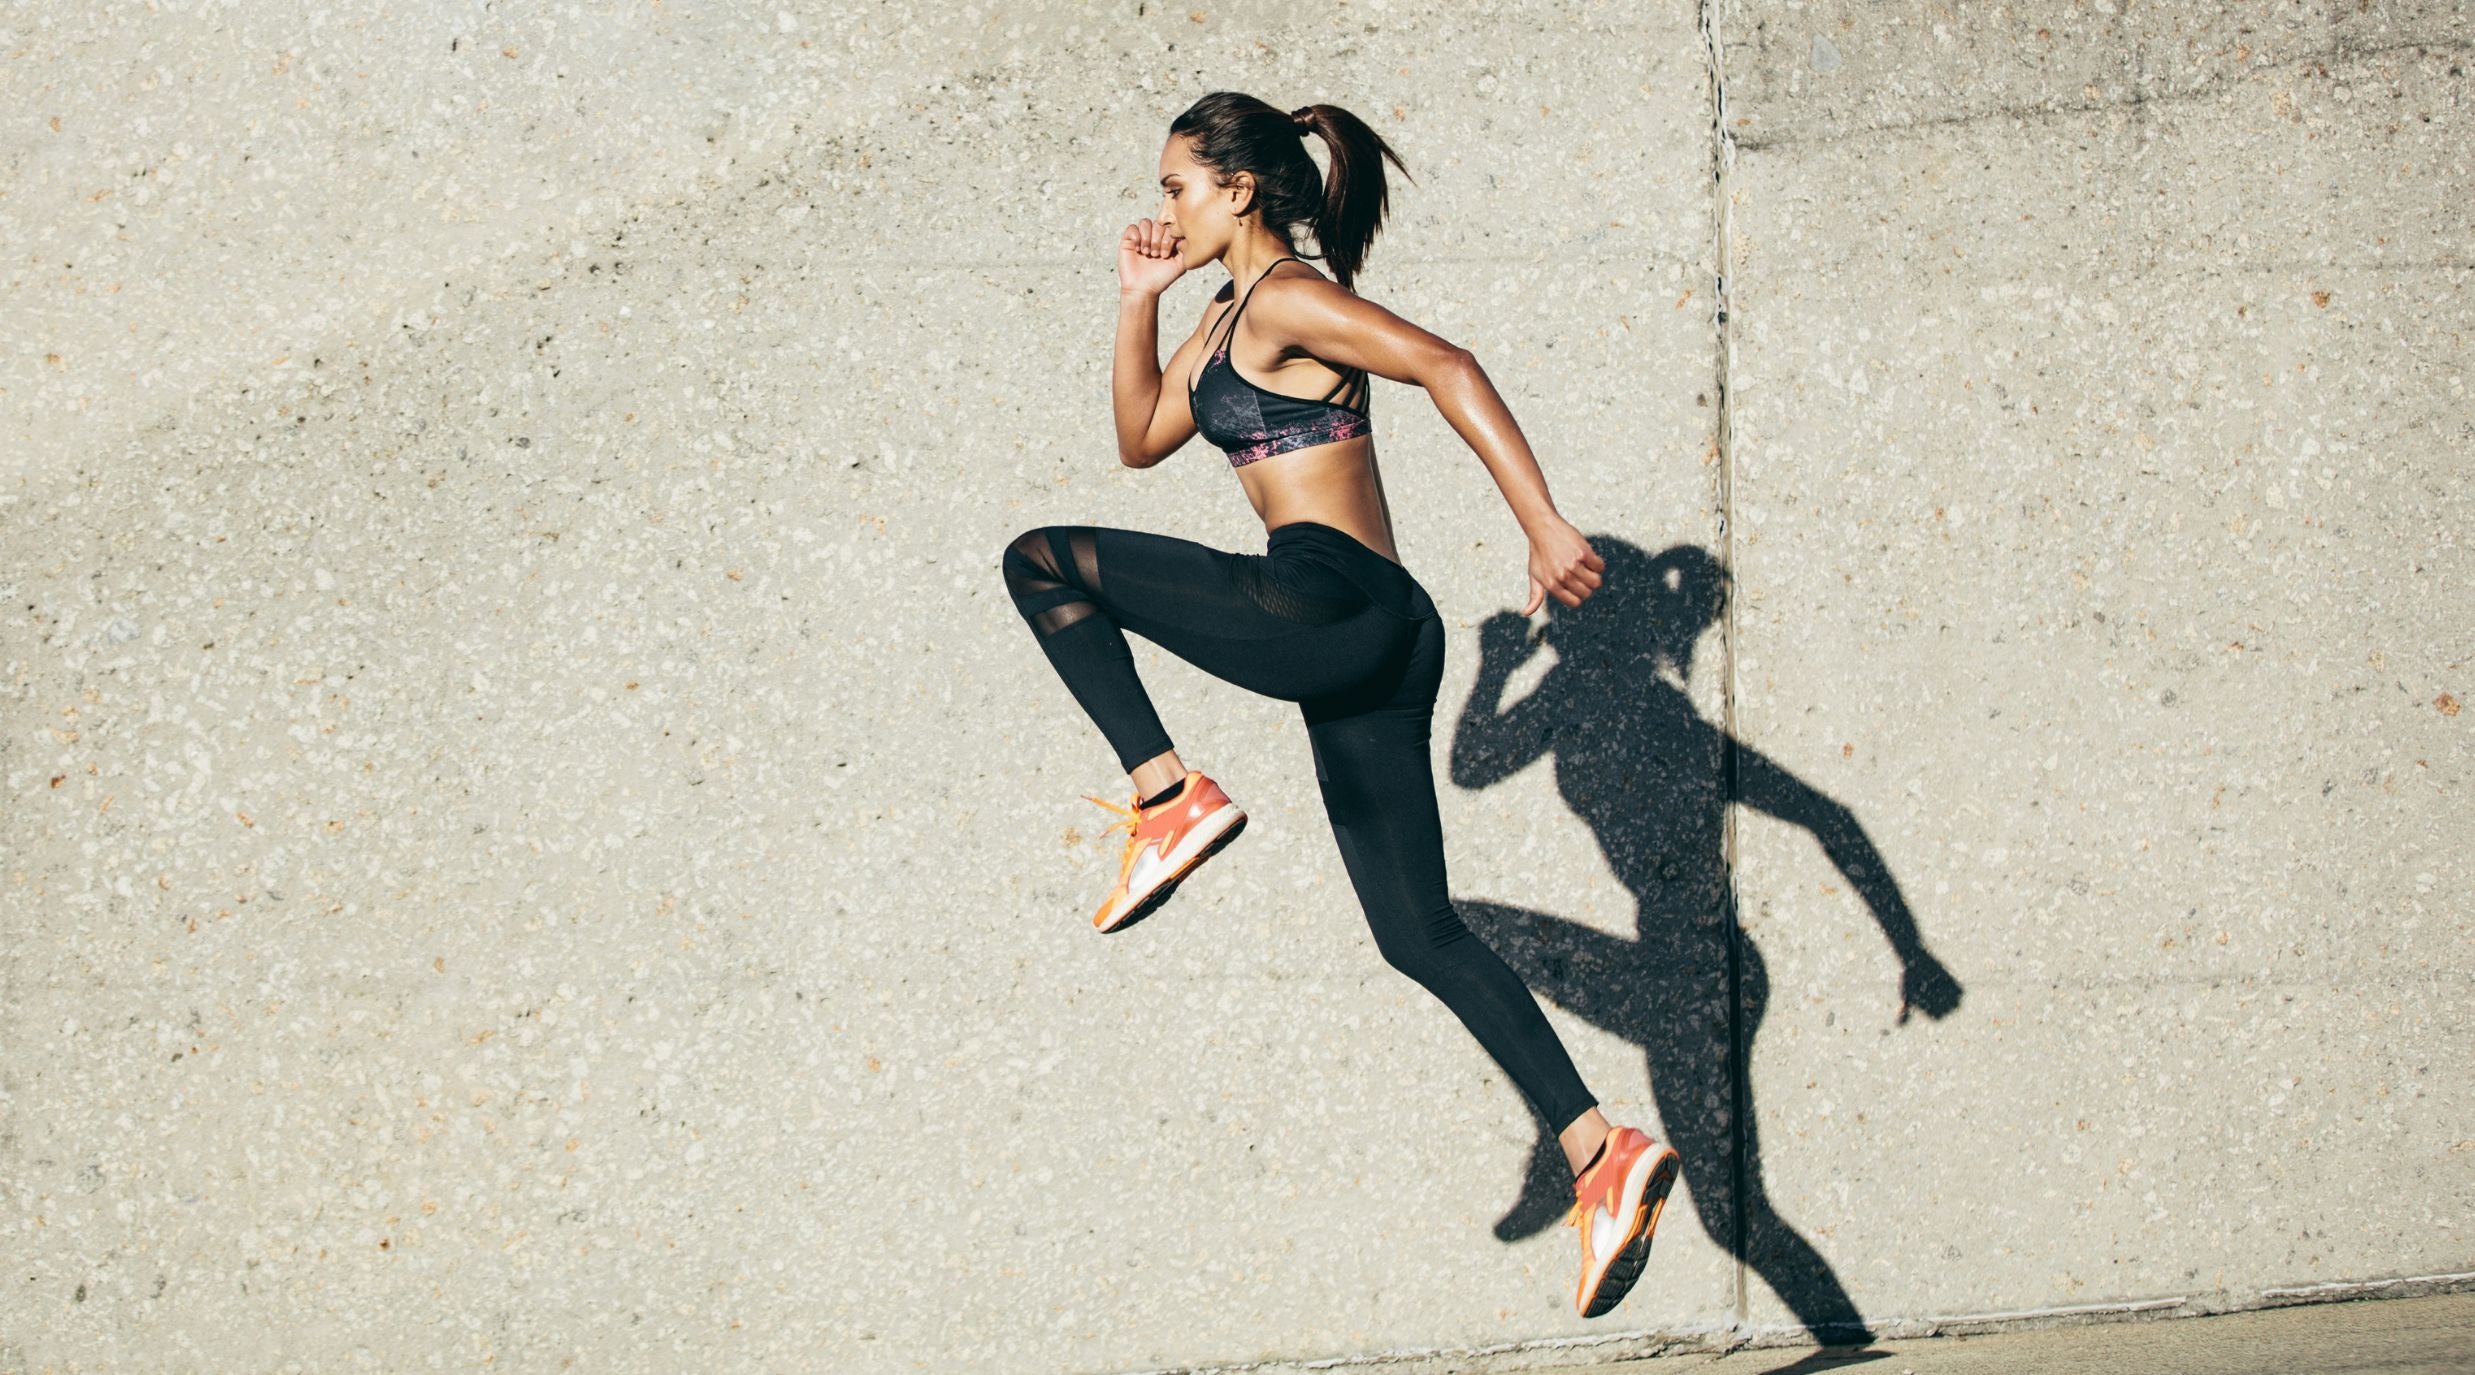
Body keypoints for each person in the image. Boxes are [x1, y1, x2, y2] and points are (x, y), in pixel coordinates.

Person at [999, 92, 1678, 1319]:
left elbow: (1444, 364)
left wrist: (1541, 522)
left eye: (1178, 189)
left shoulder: (1293, 298)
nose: (1164, 209)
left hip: (1336, 598)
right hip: (1374, 640)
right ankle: (1600, 1151)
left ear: (1240, 188)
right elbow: (1140, 439)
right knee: (1417, 933)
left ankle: (1168, 793)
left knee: (1040, 561)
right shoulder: (1219, 321)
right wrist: (1136, 300)